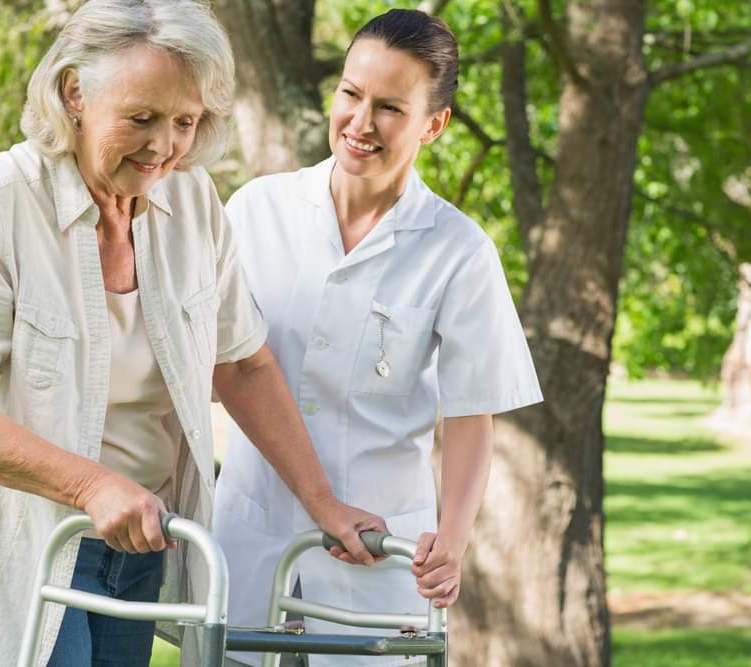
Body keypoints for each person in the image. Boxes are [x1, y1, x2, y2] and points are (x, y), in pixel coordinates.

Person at [0, 1, 384, 665]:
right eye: (141, 118)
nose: (164, 146)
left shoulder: (191, 202)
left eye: (185, 121)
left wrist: (323, 502)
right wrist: (93, 486)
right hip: (31, 542)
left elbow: (243, 363)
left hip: (142, 551)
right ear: (74, 92)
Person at [213, 9, 543, 666]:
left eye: (390, 107)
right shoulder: (256, 210)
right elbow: (224, 367)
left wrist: (452, 537)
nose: (361, 123)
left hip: (379, 550)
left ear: (434, 124)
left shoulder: (459, 251)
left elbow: (472, 412)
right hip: (249, 533)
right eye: (351, 94)